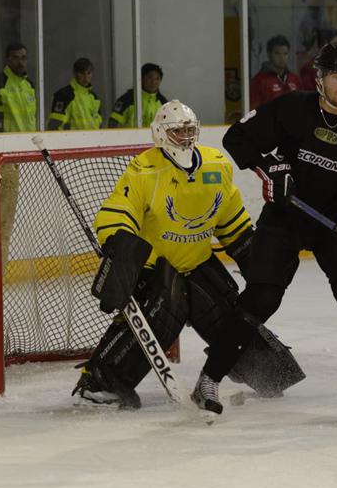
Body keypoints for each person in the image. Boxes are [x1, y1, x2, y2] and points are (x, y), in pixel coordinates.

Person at [191, 43, 337, 421]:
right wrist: (270, 168)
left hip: (332, 221)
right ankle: (208, 380)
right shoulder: (292, 108)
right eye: (336, 76)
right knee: (262, 296)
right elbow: (237, 137)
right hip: (285, 214)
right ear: (319, 78)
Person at [73, 100, 302, 411]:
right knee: (164, 310)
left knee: (233, 317)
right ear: (161, 133)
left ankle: (266, 370)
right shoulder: (144, 170)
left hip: (197, 262)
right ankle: (100, 382)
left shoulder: (215, 165)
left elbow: (231, 220)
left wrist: (256, 258)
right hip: (155, 269)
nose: (184, 136)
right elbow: (118, 212)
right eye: (177, 131)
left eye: (189, 130)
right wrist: (119, 248)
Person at [0, 42, 37, 132]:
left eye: (23, 58)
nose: (20, 62)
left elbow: (32, 117)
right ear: (8, 60)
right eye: (16, 58)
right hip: (8, 139)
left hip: (30, 139)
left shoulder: (29, 85)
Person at [46, 57, 103, 130]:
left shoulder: (94, 98)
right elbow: (54, 125)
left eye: (88, 73)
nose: (86, 77)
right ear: (75, 73)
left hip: (93, 137)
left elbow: (99, 124)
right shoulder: (64, 95)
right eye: (82, 73)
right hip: (71, 137)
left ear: (92, 74)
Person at [250, 35, 302, 109]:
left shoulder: (295, 79)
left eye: (285, 53)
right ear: (269, 54)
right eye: (277, 53)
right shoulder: (259, 81)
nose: (282, 57)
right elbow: (254, 110)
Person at [108, 63, 167, 128]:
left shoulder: (164, 103)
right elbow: (112, 124)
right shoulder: (127, 100)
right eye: (149, 77)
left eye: (157, 79)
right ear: (141, 79)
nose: (153, 82)